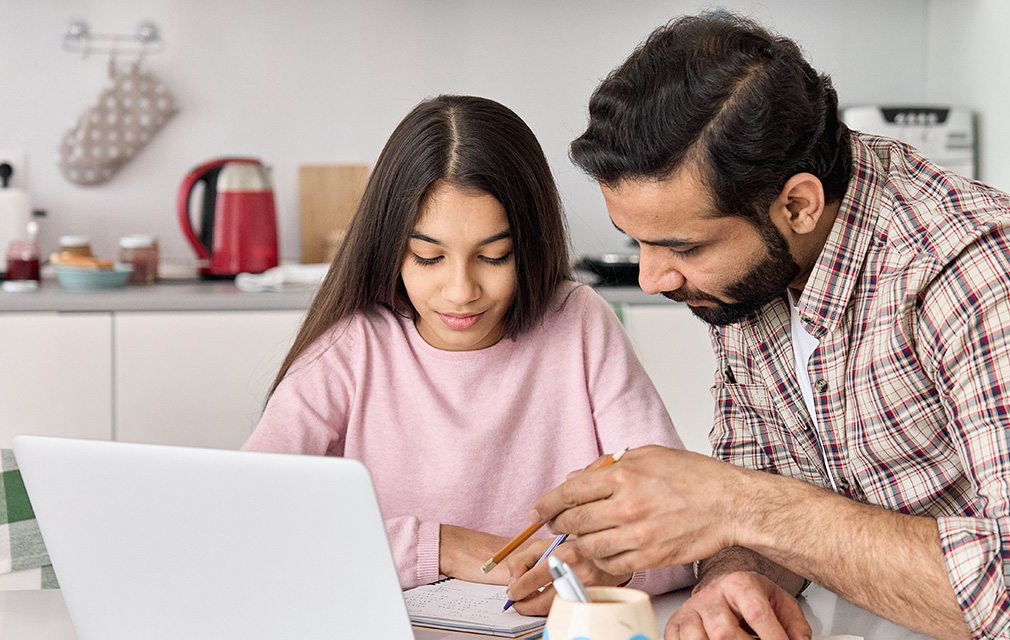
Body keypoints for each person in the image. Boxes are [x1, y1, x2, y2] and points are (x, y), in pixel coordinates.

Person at [522, 13, 1010, 640]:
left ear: (797, 204)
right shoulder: (754, 269)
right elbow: (770, 480)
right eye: (637, 241)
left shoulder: (999, 275)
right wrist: (736, 578)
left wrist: (732, 505)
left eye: (683, 248)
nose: (652, 279)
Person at [243, 95, 693, 612]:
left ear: (529, 245)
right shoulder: (354, 346)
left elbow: (683, 528)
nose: (461, 291)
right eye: (428, 257)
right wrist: (439, 547)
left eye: (493, 256)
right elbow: (251, 522)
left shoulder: (579, 321)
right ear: (391, 248)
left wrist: (608, 564)